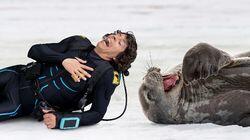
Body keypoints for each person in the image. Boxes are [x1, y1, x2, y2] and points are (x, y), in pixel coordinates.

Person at [0, 30, 137, 129]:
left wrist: (60, 121)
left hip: (20, 103)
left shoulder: (106, 75)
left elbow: (97, 114)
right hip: (15, 75)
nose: (113, 37)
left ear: (117, 58)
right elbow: (34, 50)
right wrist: (64, 59)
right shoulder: (79, 42)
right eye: (115, 34)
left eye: (119, 42)